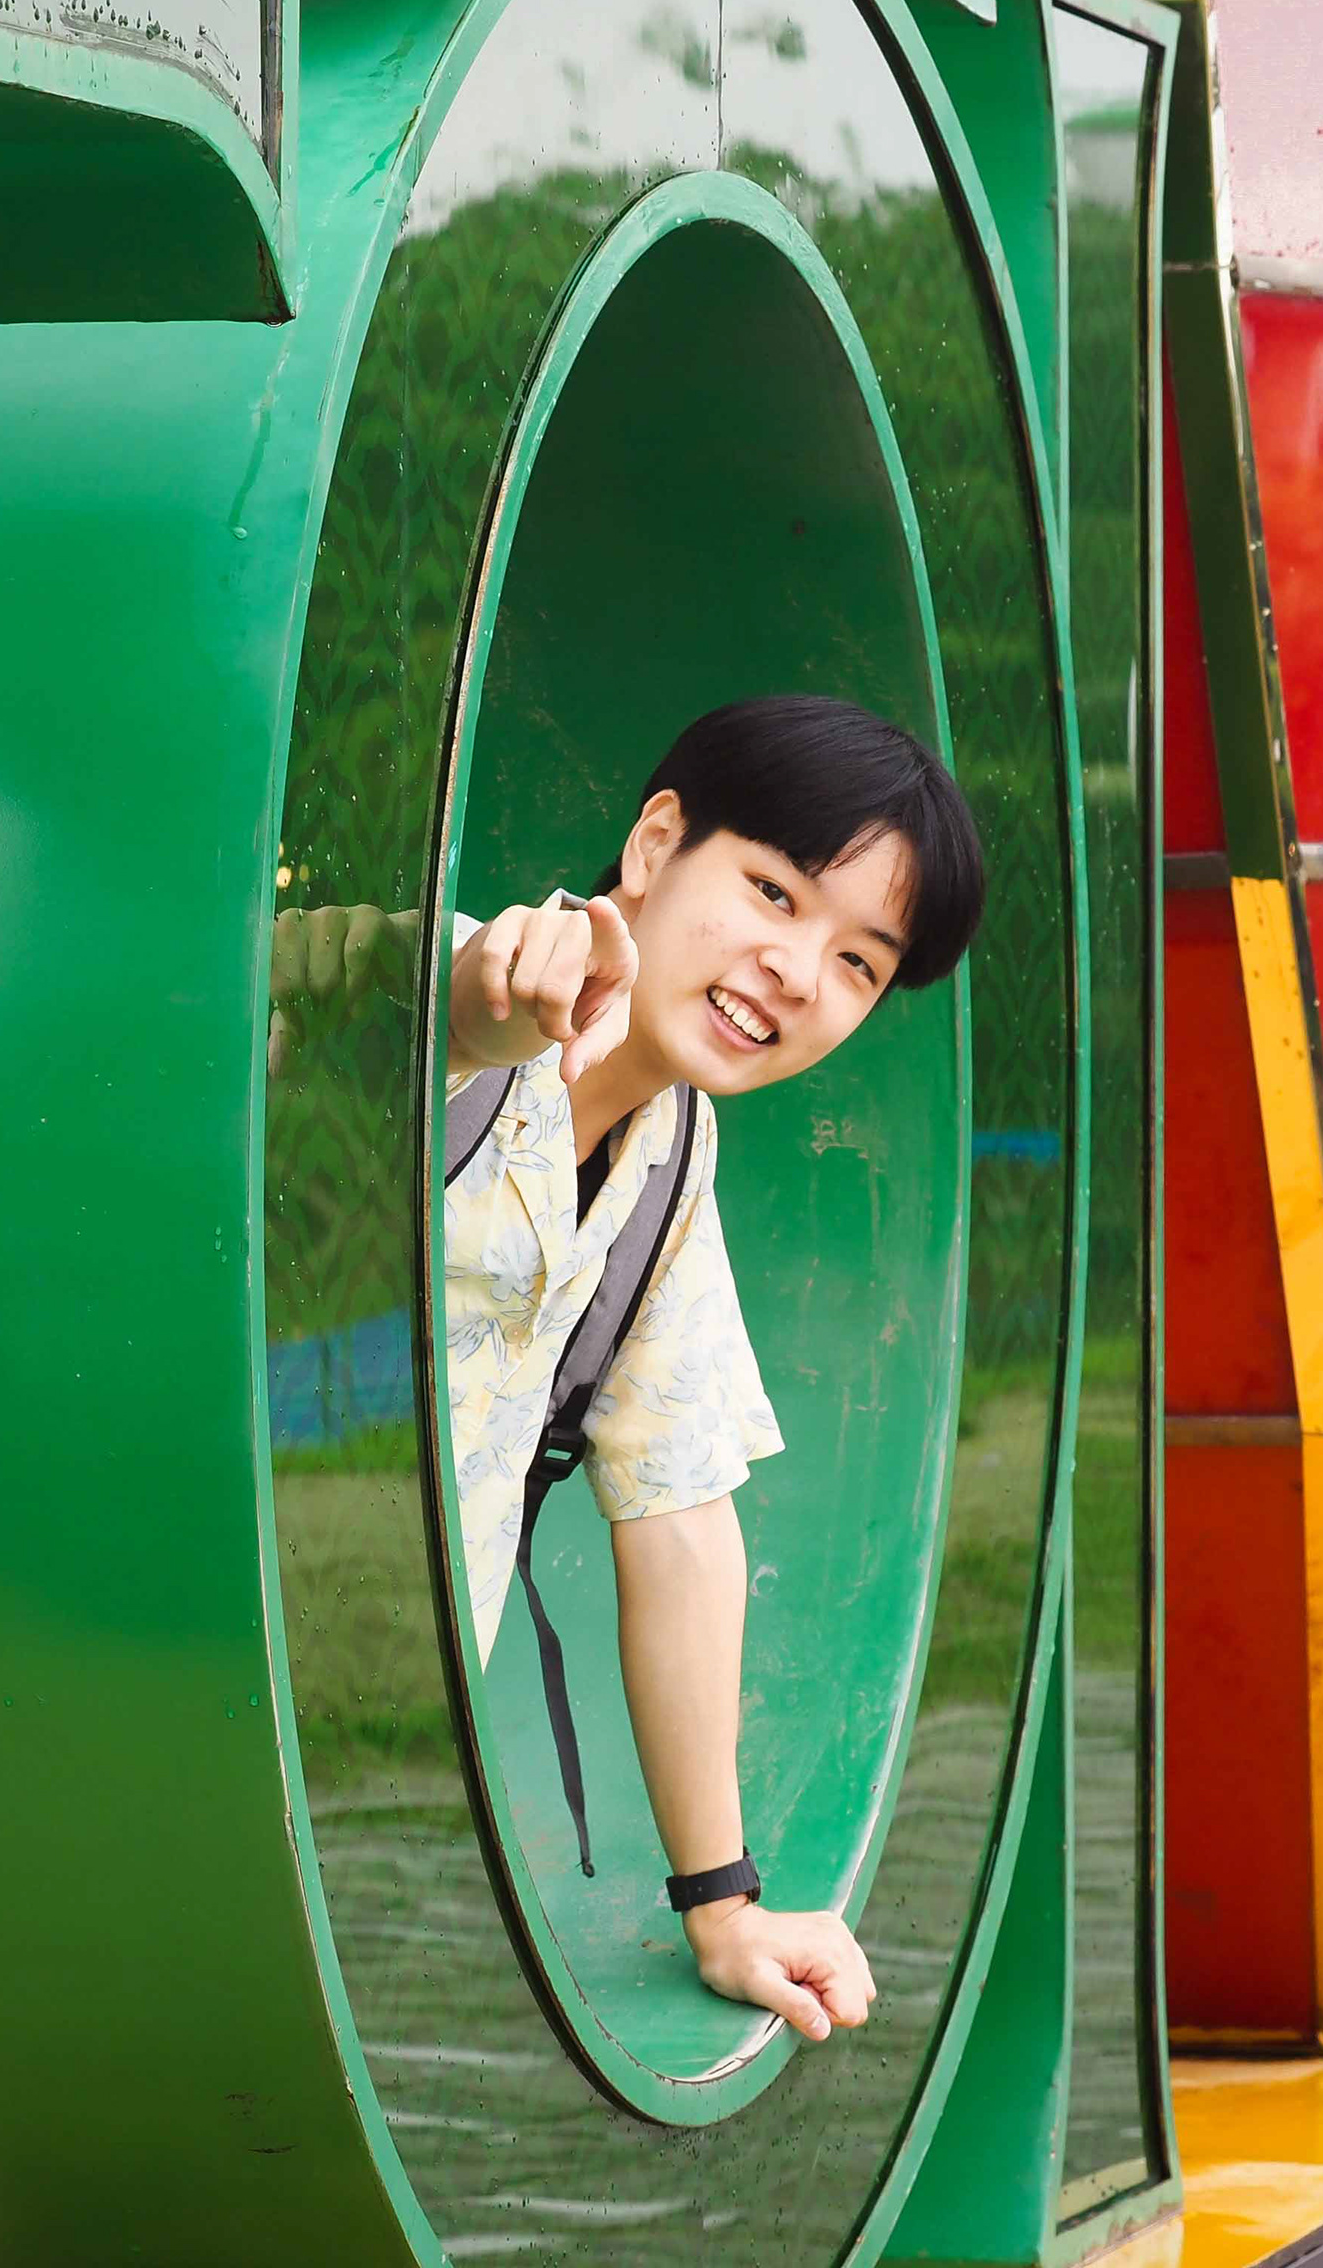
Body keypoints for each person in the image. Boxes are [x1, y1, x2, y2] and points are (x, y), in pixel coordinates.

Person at [440, 693, 983, 2049]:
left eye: (859, 962)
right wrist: (474, 1000)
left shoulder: (670, 1156)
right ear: (654, 844)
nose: (797, 972)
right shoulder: (447, 999)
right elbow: (345, 1010)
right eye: (772, 893)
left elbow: (679, 1516)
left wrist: (724, 1906)